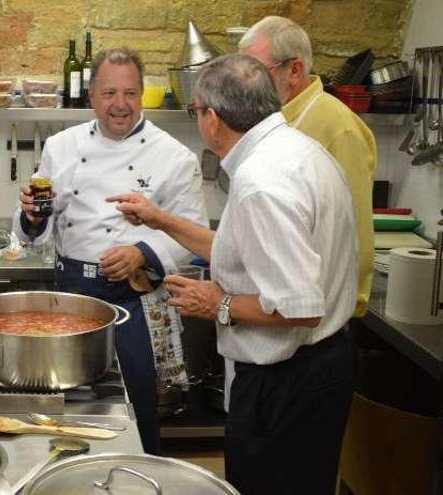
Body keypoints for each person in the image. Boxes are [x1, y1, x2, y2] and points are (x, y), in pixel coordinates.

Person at [109, 54, 357, 495]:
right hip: (319, 369)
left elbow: (300, 309)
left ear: (212, 117)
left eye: (195, 110)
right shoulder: (298, 150)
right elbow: (239, 250)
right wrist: (159, 219)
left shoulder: (261, 183)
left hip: (286, 383)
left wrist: (217, 304)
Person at [13, 48, 207, 454]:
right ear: (91, 96)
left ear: (141, 95)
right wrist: (31, 215)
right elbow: (36, 220)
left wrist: (142, 252)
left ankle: (140, 473)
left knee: (135, 403)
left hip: (132, 300)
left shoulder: (173, 156)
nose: (121, 105)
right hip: (69, 295)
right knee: (65, 402)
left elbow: (194, 234)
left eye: (131, 94)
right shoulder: (61, 147)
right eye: (109, 93)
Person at [239, 15, 375, 318]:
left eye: (257, 72)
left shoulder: (338, 127)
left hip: (322, 317)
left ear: (295, 70)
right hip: (284, 306)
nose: (247, 86)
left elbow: (356, 239)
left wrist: (342, 312)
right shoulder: (276, 119)